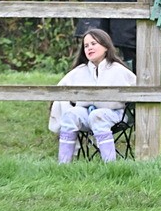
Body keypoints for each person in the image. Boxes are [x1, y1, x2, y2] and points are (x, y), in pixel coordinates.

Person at [48, 29, 137, 164]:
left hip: (117, 114)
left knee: (97, 116)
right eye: (86, 46)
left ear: (106, 46)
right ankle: (63, 164)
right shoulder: (79, 71)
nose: (89, 48)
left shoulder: (118, 70)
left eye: (93, 43)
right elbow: (59, 91)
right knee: (71, 114)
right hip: (87, 113)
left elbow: (137, 92)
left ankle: (110, 165)